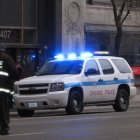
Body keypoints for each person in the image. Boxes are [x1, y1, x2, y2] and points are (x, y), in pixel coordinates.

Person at [0, 46, 18, 135]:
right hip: (3, 88)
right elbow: (14, 71)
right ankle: (4, 128)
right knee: (3, 109)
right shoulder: (6, 58)